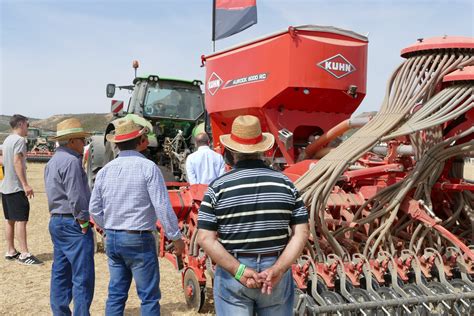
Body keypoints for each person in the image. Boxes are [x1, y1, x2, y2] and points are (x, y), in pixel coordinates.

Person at [197, 115, 309, 315]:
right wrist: (278, 269)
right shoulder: (285, 184)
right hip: (274, 273)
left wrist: (239, 270)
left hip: (234, 275)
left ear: (231, 151)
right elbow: (301, 233)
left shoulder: (217, 188)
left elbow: (205, 238)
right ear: (263, 149)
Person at [89, 119, 185, 315]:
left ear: (116, 143)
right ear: (141, 140)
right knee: (149, 296)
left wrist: (109, 227)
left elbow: (94, 208)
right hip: (139, 238)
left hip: (113, 238)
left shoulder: (105, 171)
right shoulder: (148, 168)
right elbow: (162, 207)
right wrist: (176, 237)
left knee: (116, 294)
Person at [44, 118, 95, 315]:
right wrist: (83, 221)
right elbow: (76, 196)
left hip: (57, 220)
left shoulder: (52, 162)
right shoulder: (72, 162)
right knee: (82, 276)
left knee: (61, 272)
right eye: (82, 140)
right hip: (72, 222)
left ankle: (60, 312)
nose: (84, 144)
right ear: (72, 141)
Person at [0, 114, 42, 265]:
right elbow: (17, 161)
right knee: (21, 220)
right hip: (16, 187)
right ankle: (24, 254)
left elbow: (4, 160)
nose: (28, 128)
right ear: (21, 124)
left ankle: (11, 251)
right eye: (27, 125)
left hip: (5, 187)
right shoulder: (19, 140)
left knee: (9, 220)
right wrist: (25, 184)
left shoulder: (7, 140)